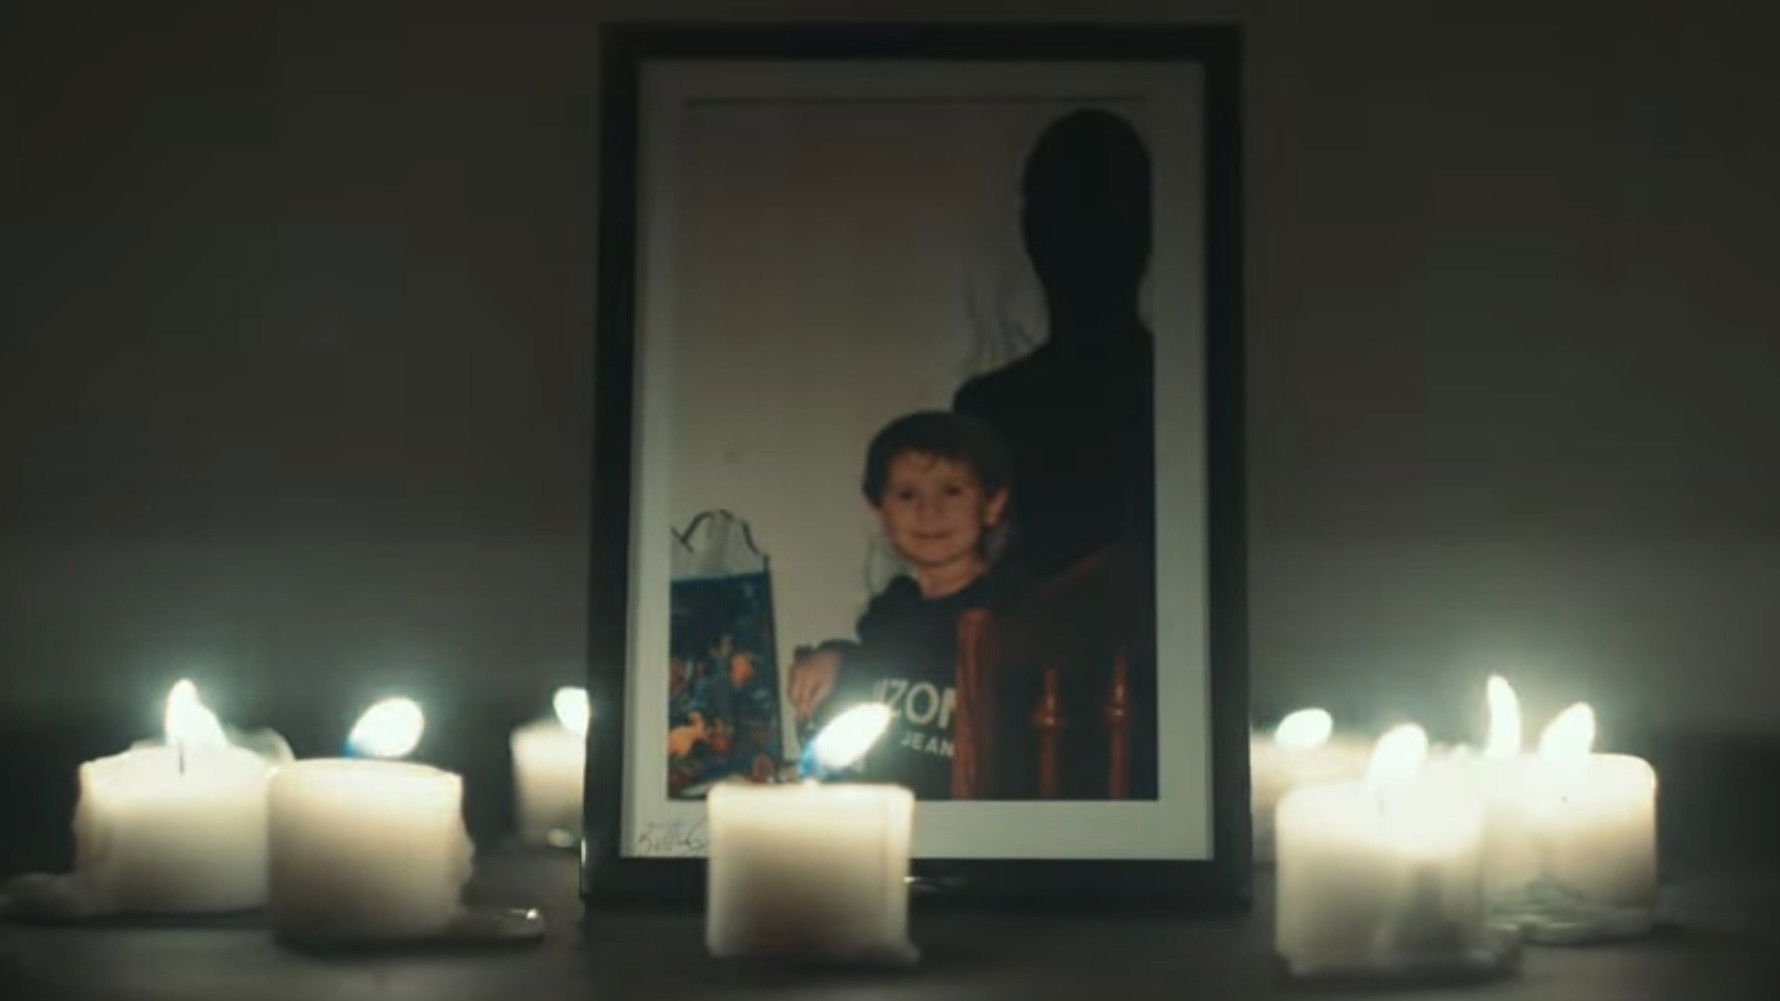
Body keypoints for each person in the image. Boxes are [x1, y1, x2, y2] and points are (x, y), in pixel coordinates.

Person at [953, 108, 1155, 578]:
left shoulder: (1187, 397)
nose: (1085, 242)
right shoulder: (990, 408)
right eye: (1066, 214)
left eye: (1103, 214)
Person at [784, 411, 1027, 798]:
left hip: (974, 813)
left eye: (951, 491)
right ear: (880, 512)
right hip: (890, 808)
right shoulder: (893, 610)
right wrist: (837, 657)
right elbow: (876, 676)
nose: (929, 511)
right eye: (907, 495)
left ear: (992, 504)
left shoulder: (1013, 609)